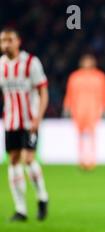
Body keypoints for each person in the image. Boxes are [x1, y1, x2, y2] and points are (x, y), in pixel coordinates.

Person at [0, 27, 50, 221]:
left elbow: (43, 92)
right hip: (10, 121)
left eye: (9, 40)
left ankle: (42, 197)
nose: (5, 44)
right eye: (3, 41)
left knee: (28, 159)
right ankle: (20, 209)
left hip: (30, 120)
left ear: (18, 41)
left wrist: (38, 117)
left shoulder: (31, 62)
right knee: (12, 161)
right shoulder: (1, 65)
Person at [63, 54, 105, 171]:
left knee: (92, 135)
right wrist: (67, 107)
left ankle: (92, 159)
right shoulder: (75, 77)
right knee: (80, 136)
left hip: (94, 110)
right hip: (78, 110)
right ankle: (81, 159)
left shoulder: (100, 77)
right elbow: (69, 93)